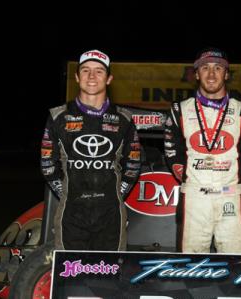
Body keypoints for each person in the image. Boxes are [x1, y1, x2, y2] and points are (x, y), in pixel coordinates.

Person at [40, 49, 141, 250]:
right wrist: (67, 194)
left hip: (111, 214)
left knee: (108, 277)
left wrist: (117, 196)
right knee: (70, 277)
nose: (92, 77)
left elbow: (133, 164)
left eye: (99, 71)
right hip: (71, 214)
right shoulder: (58, 116)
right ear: (77, 77)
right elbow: (47, 164)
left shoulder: (124, 119)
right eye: (85, 71)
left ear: (109, 78)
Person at [164, 48, 241, 253]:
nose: (211, 74)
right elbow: (172, 150)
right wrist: (190, 181)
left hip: (230, 197)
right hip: (194, 198)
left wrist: (235, 182)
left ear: (226, 74)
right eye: (205, 68)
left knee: (237, 265)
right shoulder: (178, 110)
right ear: (196, 74)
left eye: (218, 68)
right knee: (190, 266)